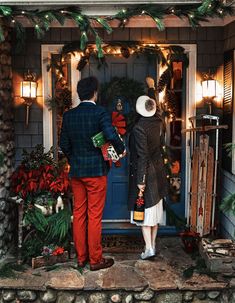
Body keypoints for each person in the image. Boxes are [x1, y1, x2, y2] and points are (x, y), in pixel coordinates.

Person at [60, 76, 125, 271]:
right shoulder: (100, 113)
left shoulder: (69, 116)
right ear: (95, 93)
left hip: (77, 173)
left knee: (79, 214)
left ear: (80, 94)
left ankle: (81, 258)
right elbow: (111, 135)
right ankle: (95, 260)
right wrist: (120, 149)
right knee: (94, 216)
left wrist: (74, 160)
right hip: (96, 172)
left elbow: (63, 145)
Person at [128, 78, 168, 260]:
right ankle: (151, 246)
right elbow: (157, 107)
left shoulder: (139, 128)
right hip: (158, 171)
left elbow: (142, 156)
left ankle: (149, 248)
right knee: (155, 214)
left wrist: (141, 181)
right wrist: (152, 88)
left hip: (146, 173)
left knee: (145, 216)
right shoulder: (158, 120)